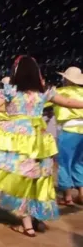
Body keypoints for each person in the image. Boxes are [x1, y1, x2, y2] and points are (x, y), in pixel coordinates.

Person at [0, 56, 83, 237]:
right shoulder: (44, 91)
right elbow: (69, 103)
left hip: (17, 139)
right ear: (36, 72)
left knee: (21, 180)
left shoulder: (10, 91)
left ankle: (27, 225)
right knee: (39, 179)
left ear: (16, 71)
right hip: (40, 140)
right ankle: (38, 219)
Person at [53, 66, 83, 206]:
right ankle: (81, 193)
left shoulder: (60, 92)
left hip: (70, 130)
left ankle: (68, 197)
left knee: (64, 163)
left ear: (66, 79)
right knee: (79, 162)